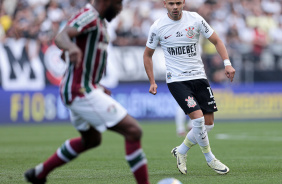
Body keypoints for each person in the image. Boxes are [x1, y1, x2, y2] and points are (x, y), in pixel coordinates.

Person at [24, 1, 150, 184]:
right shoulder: (89, 16)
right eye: (117, 2)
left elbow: (73, 52)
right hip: (80, 91)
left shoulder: (99, 21)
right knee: (133, 131)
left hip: (84, 88)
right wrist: (71, 47)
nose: (120, 7)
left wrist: (97, 85)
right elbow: (61, 37)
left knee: (91, 140)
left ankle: (38, 174)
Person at [143, 0, 235, 175]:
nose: (175, 7)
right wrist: (152, 81)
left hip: (199, 77)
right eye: (171, 3)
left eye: (178, 2)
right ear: (165, 4)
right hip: (177, 80)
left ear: (184, 2)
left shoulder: (195, 19)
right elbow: (147, 55)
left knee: (208, 125)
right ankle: (210, 159)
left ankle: (181, 151)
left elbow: (216, 40)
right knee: (198, 120)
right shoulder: (158, 26)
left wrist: (227, 64)